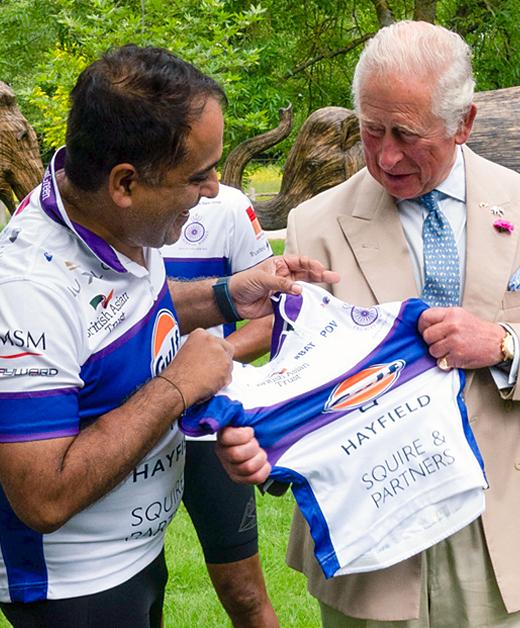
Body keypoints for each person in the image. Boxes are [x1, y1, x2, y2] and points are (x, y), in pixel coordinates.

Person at [216, 21, 520, 626]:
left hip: (497, 530)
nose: (385, 155)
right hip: (368, 539)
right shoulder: (315, 224)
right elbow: (299, 381)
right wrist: (261, 441)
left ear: (464, 123)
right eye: (372, 130)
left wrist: (502, 344)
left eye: (407, 134)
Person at [0, 45, 335, 627]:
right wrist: (177, 387)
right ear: (125, 182)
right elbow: (41, 496)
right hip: (75, 590)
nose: (213, 191)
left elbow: (116, 316)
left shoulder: (110, 216)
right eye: (198, 175)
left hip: (135, 559)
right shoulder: (27, 287)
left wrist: (228, 295)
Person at [160, 184, 278, 626]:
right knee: (133, 589)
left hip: (206, 425)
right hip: (116, 423)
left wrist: (212, 362)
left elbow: (271, 315)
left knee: (244, 594)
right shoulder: (92, 200)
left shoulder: (228, 207)